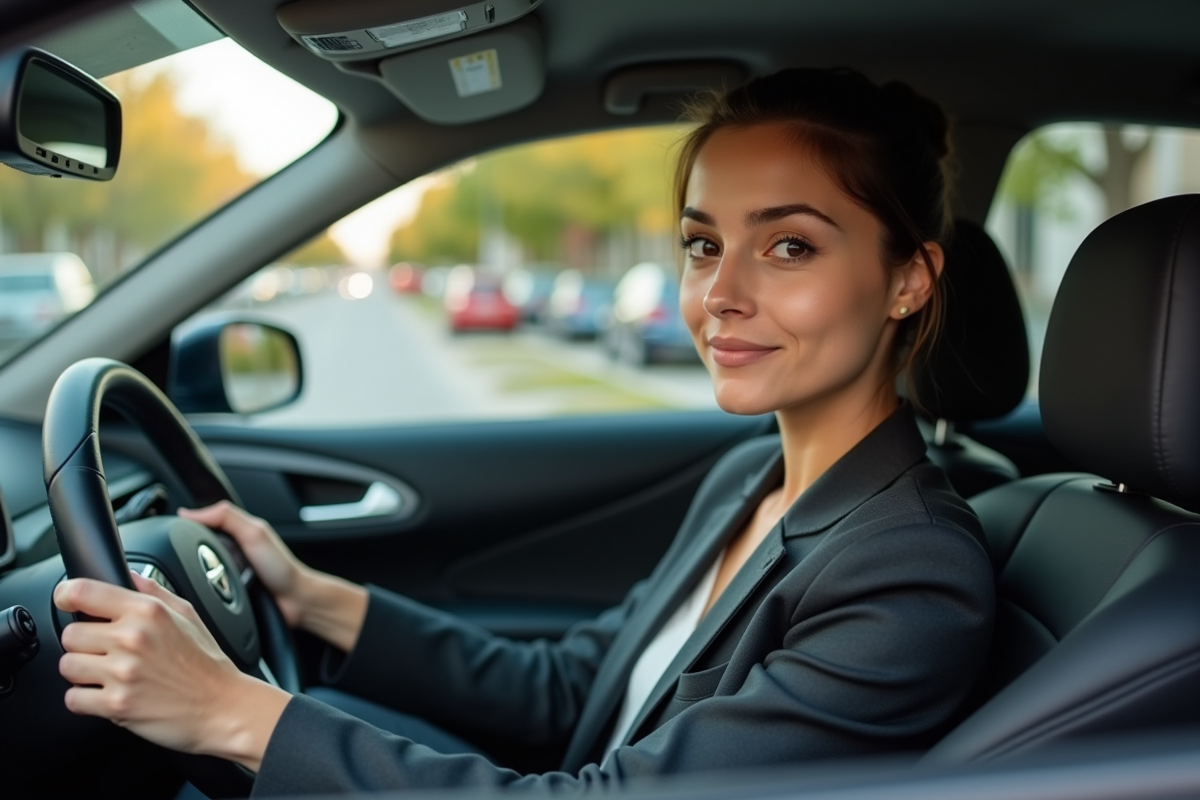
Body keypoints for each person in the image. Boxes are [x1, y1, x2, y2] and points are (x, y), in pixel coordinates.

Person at [52, 68, 995, 795]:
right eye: (704, 244)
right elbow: (571, 691)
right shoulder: (754, 476)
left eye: (789, 245)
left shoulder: (910, 571)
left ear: (909, 279)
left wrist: (230, 711)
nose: (719, 296)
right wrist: (311, 596)